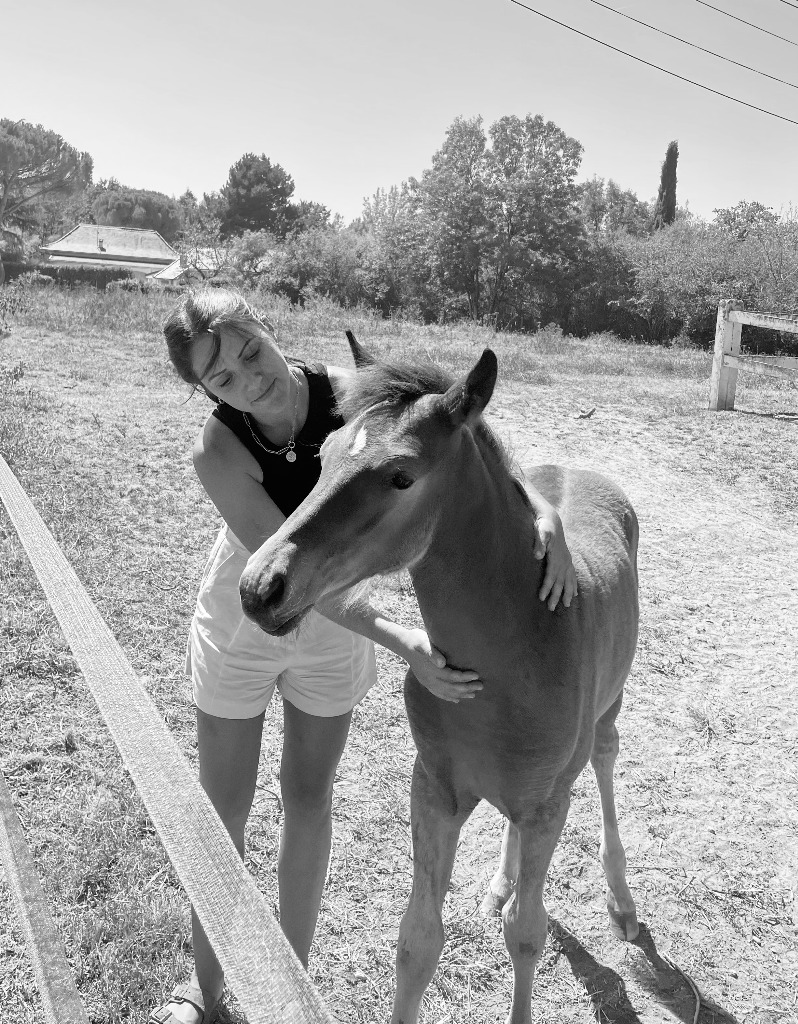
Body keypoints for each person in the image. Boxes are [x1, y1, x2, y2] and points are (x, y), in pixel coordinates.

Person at [152, 289, 577, 1024]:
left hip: (342, 621)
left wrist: (551, 520)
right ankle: (206, 988)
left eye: (250, 349)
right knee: (223, 810)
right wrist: (404, 640)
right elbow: (273, 564)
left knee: (309, 800)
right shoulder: (215, 449)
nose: (249, 378)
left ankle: (290, 977)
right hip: (253, 605)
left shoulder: (353, 394)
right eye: (221, 378)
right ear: (206, 393)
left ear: (263, 322)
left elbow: (469, 454)